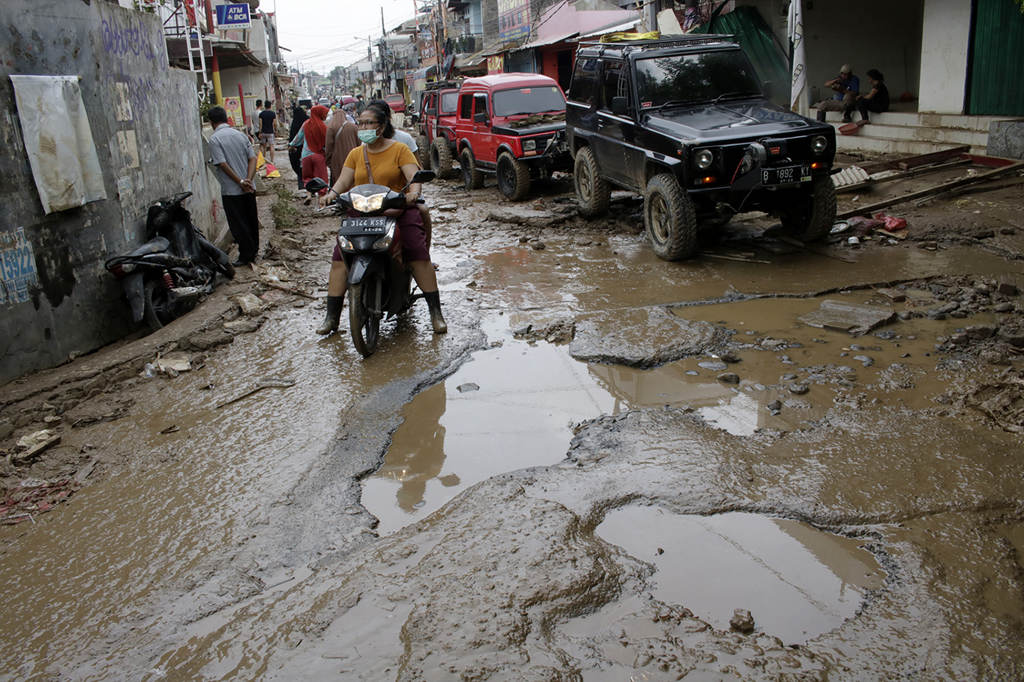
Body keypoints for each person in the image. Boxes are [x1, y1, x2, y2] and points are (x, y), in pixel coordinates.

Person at [318, 101, 447, 336]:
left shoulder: (399, 150)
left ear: (382, 125)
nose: (364, 127)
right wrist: (330, 195)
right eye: (361, 123)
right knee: (339, 257)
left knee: (416, 252)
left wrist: (413, 194)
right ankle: (331, 317)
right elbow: (343, 181)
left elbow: (413, 176)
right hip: (362, 212)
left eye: (369, 123)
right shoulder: (356, 154)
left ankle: (435, 313)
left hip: (396, 211)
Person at [207, 106, 259, 267]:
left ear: (211, 122)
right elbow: (253, 159)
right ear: (226, 118)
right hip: (249, 188)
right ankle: (253, 251)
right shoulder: (240, 135)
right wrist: (248, 180)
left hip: (232, 190)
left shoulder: (215, 139)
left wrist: (240, 182)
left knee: (238, 223)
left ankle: (245, 255)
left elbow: (222, 164)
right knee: (251, 220)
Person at [288, 104, 330, 200]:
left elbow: (298, 138)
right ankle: (321, 200)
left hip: (305, 155)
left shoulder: (306, 124)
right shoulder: (323, 127)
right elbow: (327, 142)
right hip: (318, 155)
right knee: (322, 178)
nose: (325, 116)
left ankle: (308, 195)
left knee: (307, 177)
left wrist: (291, 145)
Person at [325, 102, 359, 188]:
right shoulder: (353, 126)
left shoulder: (331, 128)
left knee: (340, 180)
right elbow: (359, 143)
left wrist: (328, 160)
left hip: (337, 159)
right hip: (353, 157)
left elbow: (328, 146)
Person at [287, 101, 309, 190]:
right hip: (308, 150)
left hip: (297, 151)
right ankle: (310, 189)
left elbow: (293, 138)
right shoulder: (307, 122)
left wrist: (291, 146)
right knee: (309, 171)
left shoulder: (294, 124)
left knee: (300, 170)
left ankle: (302, 188)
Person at [258, 99, 277, 163]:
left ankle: (264, 159)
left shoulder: (261, 114)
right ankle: (272, 161)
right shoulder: (272, 113)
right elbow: (274, 123)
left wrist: (260, 132)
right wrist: (275, 130)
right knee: (271, 146)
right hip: (270, 132)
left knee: (263, 146)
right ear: (270, 106)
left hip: (263, 132)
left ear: (264, 106)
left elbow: (260, 123)